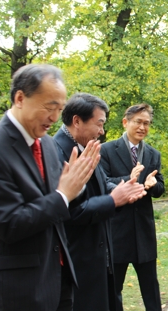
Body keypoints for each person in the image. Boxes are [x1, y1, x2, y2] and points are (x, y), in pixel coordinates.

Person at [0, 64, 100, 311]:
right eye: (49, 107)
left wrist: (76, 187)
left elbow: (60, 202)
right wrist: (64, 194)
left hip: (58, 279)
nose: (55, 117)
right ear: (20, 98)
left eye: (60, 109)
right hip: (17, 289)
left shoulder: (46, 144)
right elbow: (10, 223)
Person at [53, 93, 146, 311]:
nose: (102, 131)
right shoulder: (58, 153)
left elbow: (103, 184)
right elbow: (68, 212)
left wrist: (123, 189)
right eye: (99, 124)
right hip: (79, 258)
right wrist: (113, 200)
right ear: (77, 121)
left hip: (100, 253)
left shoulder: (87, 147)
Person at [100, 103, 165, 311]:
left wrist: (153, 185)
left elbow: (160, 185)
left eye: (146, 123)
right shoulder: (107, 150)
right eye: (138, 122)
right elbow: (103, 183)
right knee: (113, 288)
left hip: (144, 232)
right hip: (117, 229)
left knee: (151, 287)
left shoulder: (153, 154)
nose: (142, 127)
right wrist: (129, 180)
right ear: (125, 122)